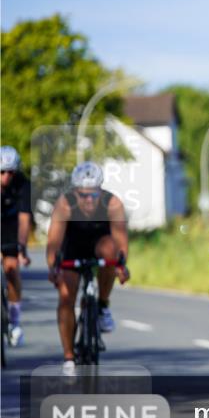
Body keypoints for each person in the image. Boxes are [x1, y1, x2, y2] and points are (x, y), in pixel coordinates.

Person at [46, 161, 130, 376]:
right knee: (66, 297)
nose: (89, 199)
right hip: (73, 248)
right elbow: (54, 243)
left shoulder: (113, 204)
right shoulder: (65, 204)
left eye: (93, 194)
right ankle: (69, 357)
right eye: (83, 195)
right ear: (76, 192)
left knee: (111, 251)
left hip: (100, 246)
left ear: (100, 190)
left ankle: (102, 305)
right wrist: (53, 268)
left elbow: (120, 241)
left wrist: (122, 266)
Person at [1, 146, 32, 347]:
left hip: (11, 227)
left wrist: (21, 248)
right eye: (1, 172)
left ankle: (14, 321)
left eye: (10, 172)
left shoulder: (22, 184)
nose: (6, 177)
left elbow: (24, 218)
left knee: (12, 269)